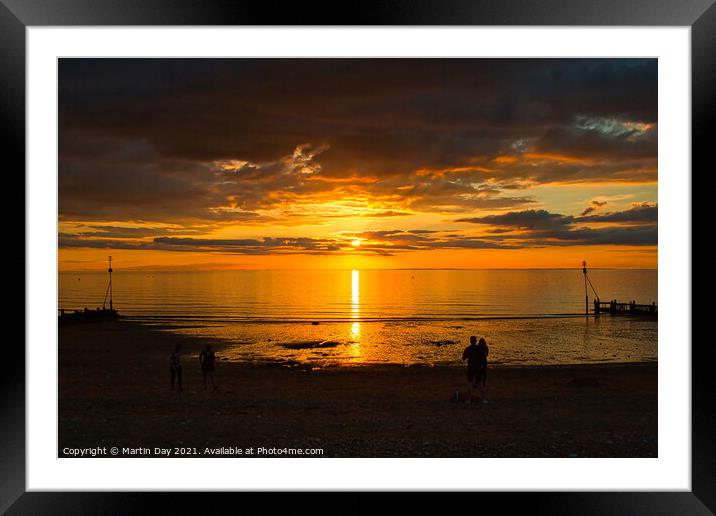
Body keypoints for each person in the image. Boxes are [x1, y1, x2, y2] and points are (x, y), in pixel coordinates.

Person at [461, 336, 489, 403]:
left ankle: (468, 400)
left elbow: (463, 358)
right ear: (476, 341)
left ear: (470, 341)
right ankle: (483, 399)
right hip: (478, 368)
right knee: (479, 384)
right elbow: (483, 357)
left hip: (470, 368)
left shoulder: (468, 349)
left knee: (470, 383)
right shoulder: (479, 349)